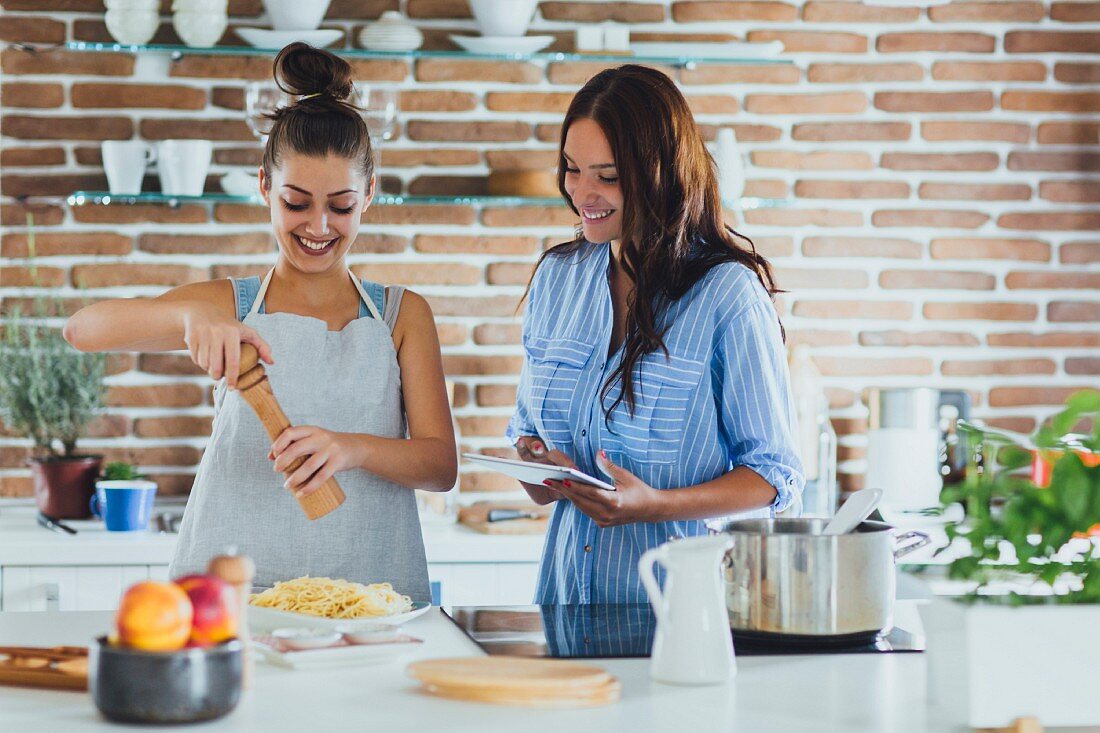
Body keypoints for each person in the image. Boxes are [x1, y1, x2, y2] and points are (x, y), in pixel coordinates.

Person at [63, 43, 456, 601]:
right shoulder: (230, 304)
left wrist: (352, 449)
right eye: (297, 202)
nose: (319, 226)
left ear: (369, 194)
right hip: (229, 595)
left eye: (340, 206)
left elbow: (440, 465)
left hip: (371, 597)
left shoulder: (402, 314)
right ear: (265, 186)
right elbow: (82, 330)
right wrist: (188, 313)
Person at [507, 65, 803, 604]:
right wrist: (537, 466)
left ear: (660, 172)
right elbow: (532, 458)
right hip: (569, 602)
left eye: (608, 175)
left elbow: (774, 477)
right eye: (572, 170)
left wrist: (655, 505)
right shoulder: (558, 279)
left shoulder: (726, 294)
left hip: (687, 611)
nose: (582, 194)